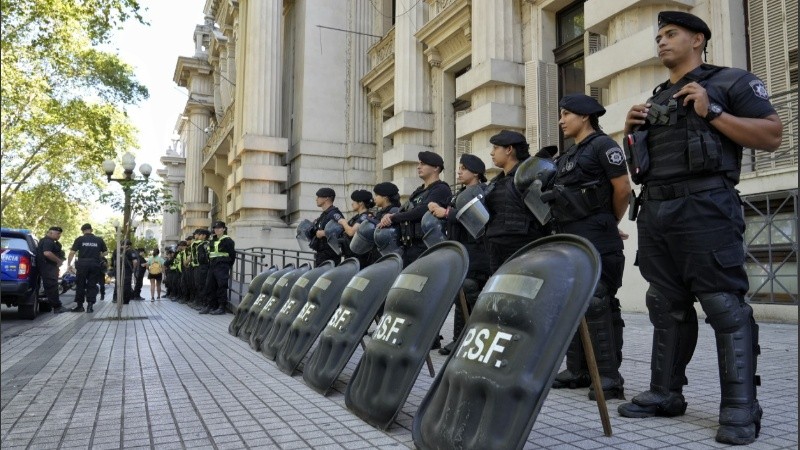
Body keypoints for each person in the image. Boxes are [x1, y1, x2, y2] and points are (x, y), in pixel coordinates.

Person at [616, 11, 782, 446]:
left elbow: (771, 135)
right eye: (658, 36)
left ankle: (741, 407)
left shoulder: (731, 82)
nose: (661, 41)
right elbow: (642, 168)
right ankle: (665, 393)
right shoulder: (658, 98)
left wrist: (713, 112)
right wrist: (630, 133)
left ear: (698, 40)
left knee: (723, 304)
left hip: (706, 206)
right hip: (657, 209)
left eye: (671, 33)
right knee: (664, 303)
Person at [546, 94, 631, 400]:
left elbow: (623, 189)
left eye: (566, 114)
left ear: (584, 116)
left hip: (597, 235)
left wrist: (608, 220)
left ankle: (608, 378)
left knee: (598, 301)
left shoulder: (603, 146)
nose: (561, 120)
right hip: (570, 238)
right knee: (573, 301)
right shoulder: (568, 155)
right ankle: (579, 370)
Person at [428, 154, 491, 355]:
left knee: (470, 292)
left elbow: (476, 218)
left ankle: (467, 340)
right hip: (462, 249)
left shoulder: (480, 192)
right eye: (459, 168)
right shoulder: (462, 193)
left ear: (476, 173)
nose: (459, 171)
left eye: (463, 168)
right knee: (462, 294)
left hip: (476, 252)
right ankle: (459, 339)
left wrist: (447, 213)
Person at [484, 130, 548, 274]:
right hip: (496, 247)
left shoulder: (528, 176)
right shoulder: (495, 182)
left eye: (496, 148)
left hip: (522, 246)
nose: (492, 153)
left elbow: (544, 214)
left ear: (509, 149)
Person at [378, 151, 451, 267]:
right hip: (410, 246)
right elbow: (404, 210)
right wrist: (388, 217)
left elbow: (422, 211)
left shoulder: (441, 188)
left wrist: (394, 217)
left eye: (423, 164)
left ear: (436, 168)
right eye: (419, 164)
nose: (418, 167)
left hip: (426, 245)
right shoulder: (419, 191)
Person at [67, 223, 108, 313]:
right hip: (95, 264)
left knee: (80, 284)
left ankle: (80, 306)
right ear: (91, 230)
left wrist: (69, 264)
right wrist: (98, 256)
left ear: (82, 231)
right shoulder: (99, 240)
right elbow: (106, 252)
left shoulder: (79, 239)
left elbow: (72, 252)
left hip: (82, 264)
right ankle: (90, 306)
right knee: (92, 285)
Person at [338, 189, 376, 269]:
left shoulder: (365, 216)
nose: (352, 203)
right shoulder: (358, 217)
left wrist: (343, 222)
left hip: (359, 258)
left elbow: (351, 232)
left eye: (354, 201)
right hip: (351, 255)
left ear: (361, 203)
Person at [205, 221, 236, 315]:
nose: (217, 230)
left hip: (222, 265)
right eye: (215, 228)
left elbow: (232, 254)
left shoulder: (227, 240)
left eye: (219, 228)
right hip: (212, 265)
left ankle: (221, 307)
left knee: (221, 286)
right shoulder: (212, 240)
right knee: (210, 285)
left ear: (223, 229)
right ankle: (211, 305)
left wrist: (228, 265)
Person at [36, 226, 68, 314]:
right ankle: (57, 307)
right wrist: (58, 261)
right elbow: (47, 253)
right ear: (50, 233)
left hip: (49, 267)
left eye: (60, 234)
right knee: (52, 286)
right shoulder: (48, 241)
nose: (59, 235)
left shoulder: (50, 241)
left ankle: (56, 306)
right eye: (58, 233)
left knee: (52, 286)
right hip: (48, 267)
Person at [309, 188, 345, 267]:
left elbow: (343, 229)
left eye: (319, 197)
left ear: (326, 198)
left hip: (330, 255)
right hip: (322, 254)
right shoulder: (325, 214)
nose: (316, 199)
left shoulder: (334, 214)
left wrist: (324, 233)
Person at [191, 229, 211, 313]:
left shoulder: (206, 244)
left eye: (199, 235)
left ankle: (204, 303)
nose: (198, 236)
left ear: (204, 236)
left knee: (202, 285)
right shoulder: (199, 244)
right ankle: (199, 302)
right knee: (198, 285)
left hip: (203, 267)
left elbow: (208, 255)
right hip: (198, 266)